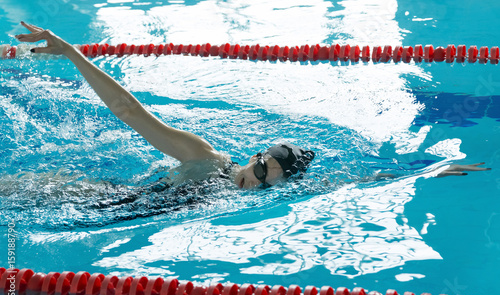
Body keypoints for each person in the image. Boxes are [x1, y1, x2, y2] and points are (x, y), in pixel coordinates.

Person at [14, 22, 490, 192]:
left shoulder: (273, 190)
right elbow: (129, 111)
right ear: (255, 155)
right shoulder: (208, 159)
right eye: (259, 167)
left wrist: (428, 172)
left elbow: (358, 183)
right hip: (92, 197)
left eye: (264, 181)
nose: (253, 180)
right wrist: (74, 53)